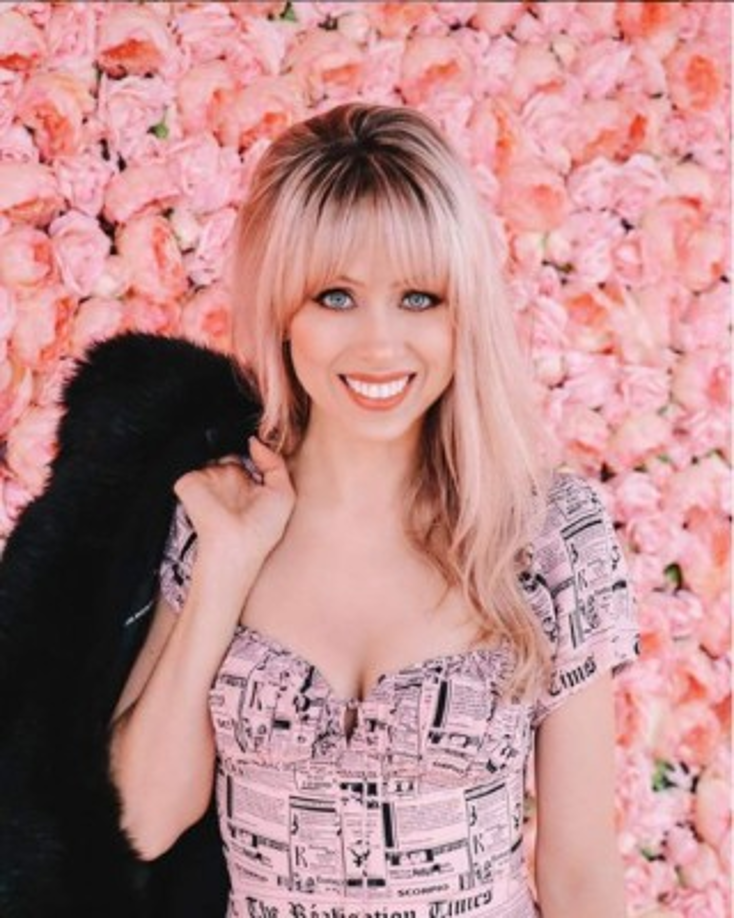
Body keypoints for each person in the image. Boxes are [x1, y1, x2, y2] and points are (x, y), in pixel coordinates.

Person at [108, 102, 639, 918]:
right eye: (336, 297)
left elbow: (580, 876)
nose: (381, 345)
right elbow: (140, 823)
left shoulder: (546, 532)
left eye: (419, 298)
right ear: (283, 310)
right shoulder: (218, 513)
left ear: (464, 309)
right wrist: (226, 568)